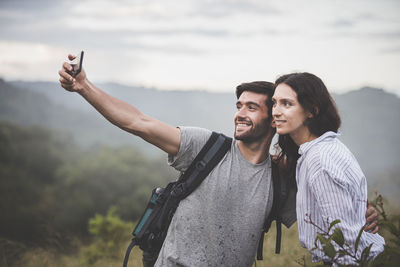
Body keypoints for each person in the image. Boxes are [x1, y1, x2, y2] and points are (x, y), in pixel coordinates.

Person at [58, 54, 378, 266]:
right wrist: (84, 86)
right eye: (239, 105)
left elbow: (324, 215)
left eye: (252, 107)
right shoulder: (206, 148)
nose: (239, 113)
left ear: (274, 118)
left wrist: (363, 216)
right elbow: (138, 122)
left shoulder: (280, 178)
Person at [271, 72, 385, 266]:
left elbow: (347, 245)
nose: (276, 111)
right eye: (274, 103)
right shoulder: (321, 148)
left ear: (311, 111)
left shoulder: (320, 159)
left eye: (287, 104)